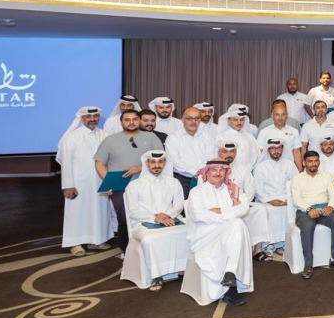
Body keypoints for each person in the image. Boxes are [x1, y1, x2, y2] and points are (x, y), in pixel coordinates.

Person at [94, 108, 164, 256]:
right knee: (125, 219)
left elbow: (163, 160)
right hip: (120, 187)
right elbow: (99, 163)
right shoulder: (110, 140)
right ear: (121, 122)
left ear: (139, 120)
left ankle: (151, 251)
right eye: (127, 119)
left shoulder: (151, 138)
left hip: (148, 185)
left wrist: (140, 167)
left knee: (150, 216)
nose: (131, 122)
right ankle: (126, 251)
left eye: (134, 119)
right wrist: (108, 183)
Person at [183, 159, 253, 306]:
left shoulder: (234, 190)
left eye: (221, 170)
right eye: (214, 170)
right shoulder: (197, 192)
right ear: (206, 173)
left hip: (228, 230)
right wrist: (228, 215)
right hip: (204, 235)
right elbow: (198, 216)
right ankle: (231, 283)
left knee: (237, 225)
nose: (218, 173)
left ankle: (230, 275)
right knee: (237, 224)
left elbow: (243, 208)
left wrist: (218, 211)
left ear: (226, 172)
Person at [122, 150, 186, 292]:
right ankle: (156, 275)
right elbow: (133, 211)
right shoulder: (135, 185)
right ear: (147, 163)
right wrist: (155, 218)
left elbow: (179, 205)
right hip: (142, 224)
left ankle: (183, 268)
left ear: (164, 163)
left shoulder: (174, 182)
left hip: (170, 219)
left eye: (160, 162)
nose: (157, 165)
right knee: (150, 239)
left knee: (188, 231)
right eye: (153, 162)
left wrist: (166, 214)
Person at [57, 105, 111, 256]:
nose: (92, 120)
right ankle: (75, 244)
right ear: (82, 118)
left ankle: (97, 239)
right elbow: (66, 162)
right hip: (78, 183)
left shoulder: (105, 135)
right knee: (76, 212)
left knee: (99, 211)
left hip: (100, 180)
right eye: (88, 117)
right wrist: (68, 186)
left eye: (95, 117)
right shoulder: (72, 137)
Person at [289, 150, 334, 279]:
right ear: (304, 163)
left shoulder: (326, 176)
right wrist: (309, 209)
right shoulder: (297, 178)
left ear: (319, 162)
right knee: (308, 227)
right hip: (305, 211)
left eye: (316, 161)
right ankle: (308, 265)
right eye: (310, 161)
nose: (313, 163)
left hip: (325, 208)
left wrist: (330, 207)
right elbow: (296, 199)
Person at [252, 138, 297, 260]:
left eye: (278, 148)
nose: (276, 151)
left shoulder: (290, 164)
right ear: (268, 150)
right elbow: (258, 189)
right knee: (267, 211)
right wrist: (270, 200)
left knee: (290, 211)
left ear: (282, 149)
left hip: (287, 200)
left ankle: (282, 244)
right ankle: (268, 246)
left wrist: (289, 199)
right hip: (267, 200)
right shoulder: (261, 167)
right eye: (273, 148)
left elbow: (296, 184)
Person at [256, 103, 304, 171]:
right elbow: (260, 152)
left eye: (283, 114)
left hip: (288, 168)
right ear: (272, 116)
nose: (280, 117)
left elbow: (296, 152)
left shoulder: (294, 131)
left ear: (287, 115)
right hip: (268, 169)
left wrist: (300, 169)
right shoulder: (264, 132)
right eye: (277, 114)